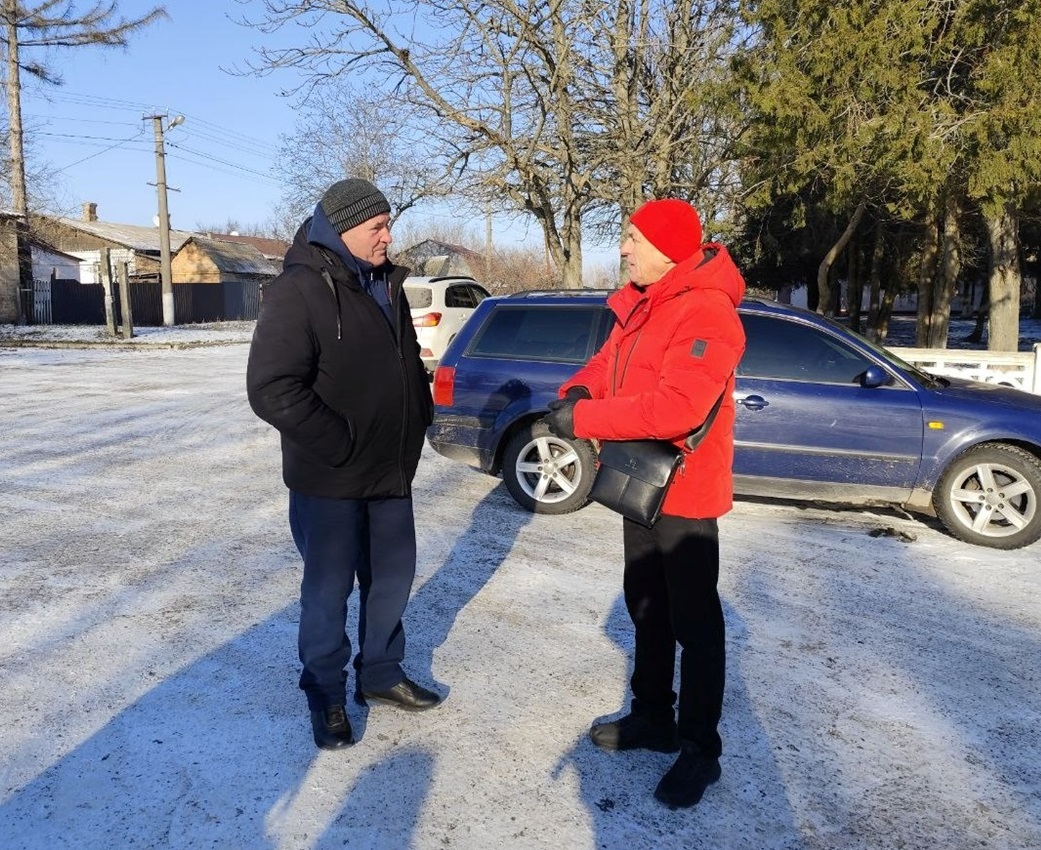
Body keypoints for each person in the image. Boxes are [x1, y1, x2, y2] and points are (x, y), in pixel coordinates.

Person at [544, 198, 746, 808]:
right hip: (640, 484)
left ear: (668, 247)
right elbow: (610, 363)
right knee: (647, 606)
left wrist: (584, 415)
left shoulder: (708, 312)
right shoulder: (642, 304)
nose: (624, 248)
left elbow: (677, 408)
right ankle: (654, 717)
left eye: (632, 237)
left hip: (685, 493)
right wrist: (579, 387)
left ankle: (699, 751)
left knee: (695, 623)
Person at [246, 178, 440, 752]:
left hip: (389, 473)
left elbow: (404, 364)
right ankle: (325, 692)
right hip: (330, 477)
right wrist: (337, 441)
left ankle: (379, 675)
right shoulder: (299, 290)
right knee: (328, 592)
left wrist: (419, 415)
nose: (388, 236)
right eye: (377, 226)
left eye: (389, 224)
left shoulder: (388, 285)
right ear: (343, 228)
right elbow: (272, 387)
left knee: (391, 581)